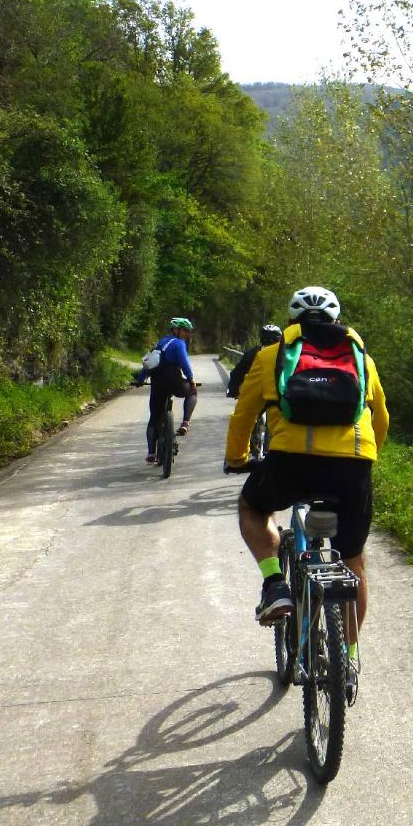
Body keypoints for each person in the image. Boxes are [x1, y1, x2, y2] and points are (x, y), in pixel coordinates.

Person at [225, 286, 387, 681]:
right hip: (353, 465)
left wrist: (237, 458)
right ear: (336, 318)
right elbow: (380, 416)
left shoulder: (270, 355)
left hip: (292, 462)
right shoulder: (361, 358)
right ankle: (347, 657)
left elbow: (244, 415)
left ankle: (275, 583)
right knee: (353, 562)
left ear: (293, 319)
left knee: (252, 508)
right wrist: (367, 458)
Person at [134, 316, 199, 462]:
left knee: (154, 418)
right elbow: (184, 363)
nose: (187, 334)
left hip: (157, 384)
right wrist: (191, 380)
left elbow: (149, 362)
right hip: (174, 382)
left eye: (188, 331)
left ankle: (151, 453)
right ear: (176, 330)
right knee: (192, 392)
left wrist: (140, 380)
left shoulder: (160, 342)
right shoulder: (178, 344)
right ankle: (185, 423)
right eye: (185, 331)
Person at [226, 323, 283, 399]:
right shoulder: (286, 353)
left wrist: (233, 391)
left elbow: (237, 372)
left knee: (242, 411)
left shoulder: (251, 353)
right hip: (279, 396)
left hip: (254, 394)